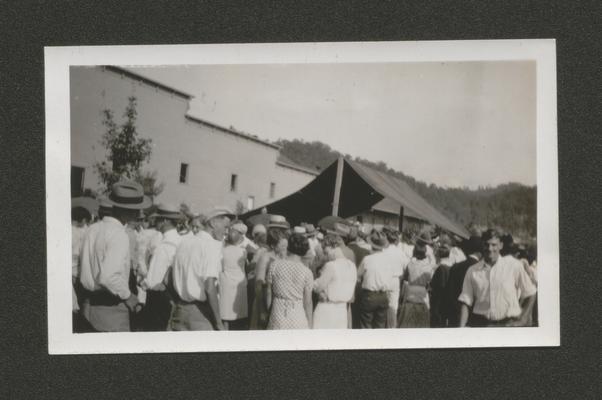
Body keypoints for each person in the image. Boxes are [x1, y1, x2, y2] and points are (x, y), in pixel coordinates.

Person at [79, 181, 149, 332]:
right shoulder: (119, 234)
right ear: (128, 210)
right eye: (136, 210)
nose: (138, 214)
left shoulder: (93, 229)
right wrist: (128, 296)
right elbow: (109, 277)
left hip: (88, 305)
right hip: (110, 309)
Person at [169, 206, 234, 331]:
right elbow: (210, 287)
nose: (227, 232)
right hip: (200, 315)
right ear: (213, 223)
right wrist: (219, 323)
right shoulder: (210, 246)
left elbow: (168, 277)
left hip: (180, 310)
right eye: (225, 227)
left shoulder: (184, 242)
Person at [458, 229, 537, 327]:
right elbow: (466, 301)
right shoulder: (472, 271)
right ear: (482, 245)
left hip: (508, 325)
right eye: (486, 245)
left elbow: (531, 293)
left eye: (494, 245)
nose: (490, 249)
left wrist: (523, 319)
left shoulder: (513, 266)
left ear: (501, 245)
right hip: (481, 325)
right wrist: (461, 329)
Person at [139, 204, 183, 331]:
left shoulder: (163, 247)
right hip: (174, 295)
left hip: (159, 298)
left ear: (165, 221)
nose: (155, 222)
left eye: (158, 219)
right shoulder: (181, 241)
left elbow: (153, 281)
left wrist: (142, 283)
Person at [266, 233, 314, 329]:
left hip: (278, 311)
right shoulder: (307, 272)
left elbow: (268, 293)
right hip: (297, 313)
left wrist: (268, 312)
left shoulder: (274, 265)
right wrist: (310, 323)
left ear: (289, 246)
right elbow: (307, 302)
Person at [249, 215, 289, 330]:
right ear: (273, 245)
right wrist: (262, 309)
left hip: (279, 302)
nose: (284, 249)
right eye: (282, 246)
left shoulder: (284, 256)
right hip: (264, 300)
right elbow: (259, 284)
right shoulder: (265, 257)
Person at [312, 233, 357, 329]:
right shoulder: (352, 266)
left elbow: (318, 286)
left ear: (333, 247)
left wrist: (311, 283)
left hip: (327, 308)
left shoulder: (331, 266)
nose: (326, 255)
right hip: (342, 310)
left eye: (326, 251)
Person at [356, 230, 393, 329]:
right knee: (380, 326)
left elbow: (358, 276)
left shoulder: (367, 259)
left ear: (371, 245)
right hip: (384, 295)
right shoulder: (388, 260)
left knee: (366, 325)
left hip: (369, 295)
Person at [398, 241, 436, 328]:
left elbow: (405, 278)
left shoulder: (410, 264)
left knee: (408, 319)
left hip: (411, 290)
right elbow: (430, 281)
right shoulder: (428, 267)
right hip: (422, 291)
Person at [445, 235, 482, 327]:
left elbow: (449, 293)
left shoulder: (455, 267)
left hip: (453, 315)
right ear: (480, 253)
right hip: (471, 318)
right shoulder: (480, 270)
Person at [219, 221, 249, 330]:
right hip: (239, 284)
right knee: (239, 313)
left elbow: (221, 267)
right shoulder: (243, 252)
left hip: (226, 283)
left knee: (226, 314)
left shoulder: (222, 250)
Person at [382, 228, 409, 328]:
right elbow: (407, 266)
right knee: (393, 306)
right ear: (396, 241)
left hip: (384, 278)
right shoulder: (401, 253)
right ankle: (391, 328)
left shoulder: (384, 251)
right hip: (395, 280)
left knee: (383, 305)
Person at [429, 235, 454, 327]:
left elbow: (437, 285)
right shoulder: (452, 266)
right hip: (447, 301)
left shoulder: (440, 268)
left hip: (438, 301)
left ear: (438, 254)